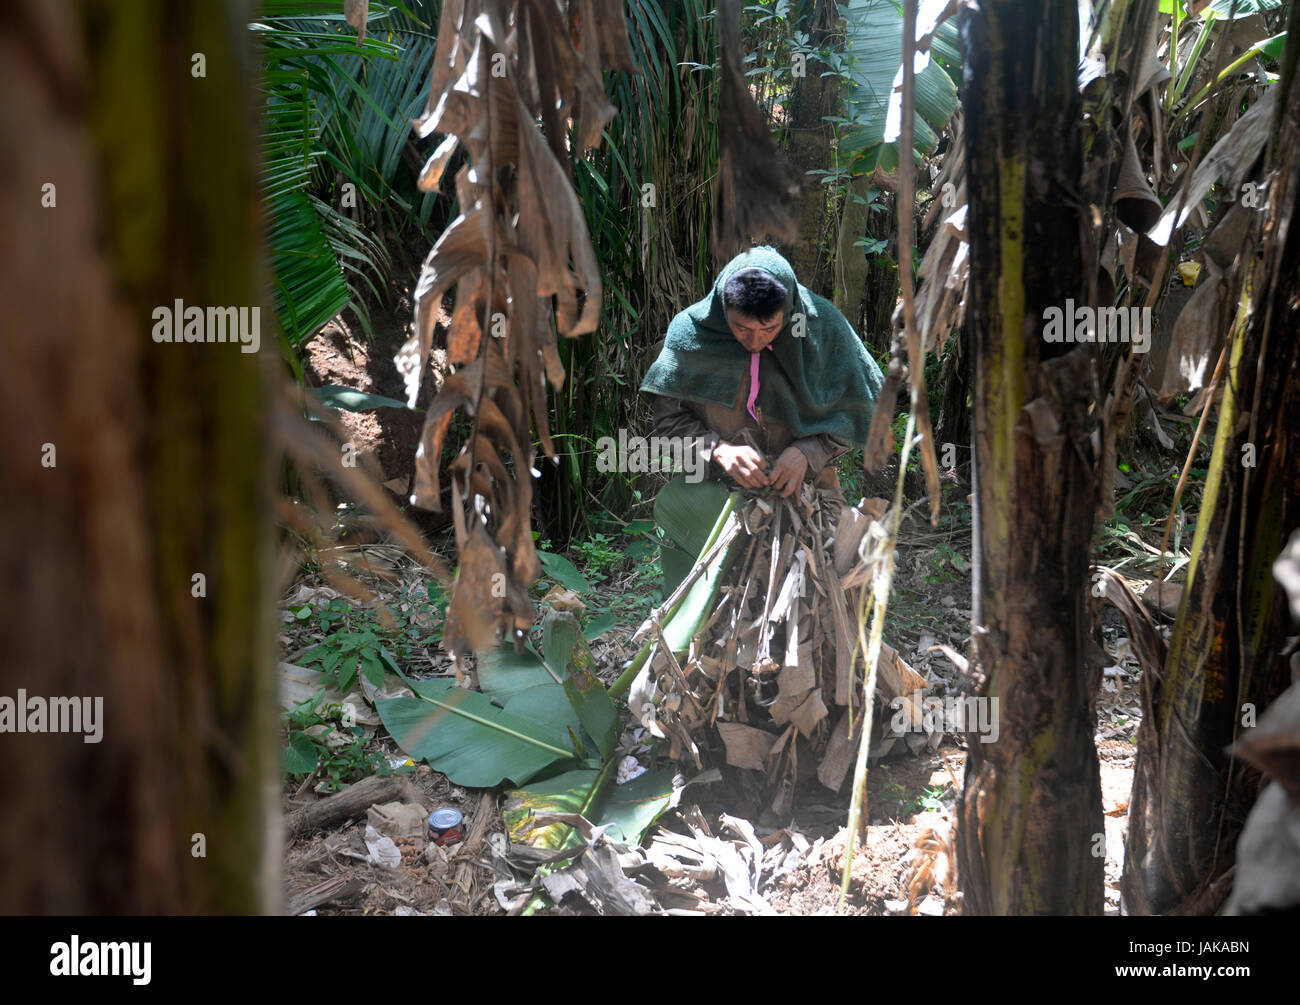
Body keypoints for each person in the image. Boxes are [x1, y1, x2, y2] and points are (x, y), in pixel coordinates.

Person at [640, 246, 883, 497]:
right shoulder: (691, 331)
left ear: (788, 313)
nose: (755, 342)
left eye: (769, 329)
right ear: (723, 312)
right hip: (713, 495)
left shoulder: (820, 327)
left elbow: (862, 406)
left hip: (808, 496)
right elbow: (668, 420)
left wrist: (808, 451)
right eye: (741, 328)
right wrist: (717, 449)